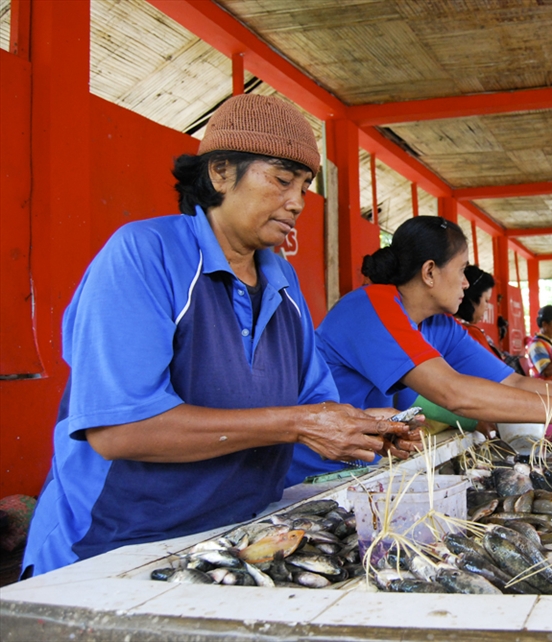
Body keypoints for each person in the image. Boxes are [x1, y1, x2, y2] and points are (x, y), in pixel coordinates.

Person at [21, 95, 417, 578]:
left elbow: (315, 410)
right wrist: (298, 423)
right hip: (112, 548)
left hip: (232, 541)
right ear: (221, 173)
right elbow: (119, 429)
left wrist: (368, 428)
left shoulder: (284, 284)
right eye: (281, 179)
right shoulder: (146, 255)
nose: (297, 202)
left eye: (305, 186)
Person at [287, 217, 552, 482]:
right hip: (311, 477)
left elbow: (513, 383)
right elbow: (453, 393)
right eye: (463, 270)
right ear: (429, 272)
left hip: (366, 469)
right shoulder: (371, 307)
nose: (467, 283)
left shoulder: (438, 325)